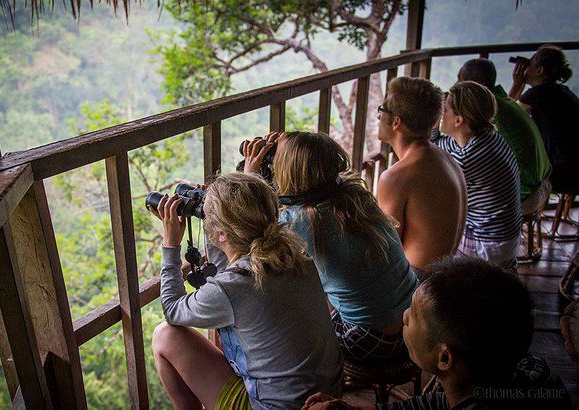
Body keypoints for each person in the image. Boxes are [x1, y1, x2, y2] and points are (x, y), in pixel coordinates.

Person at [150, 172, 342, 409]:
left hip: (279, 406)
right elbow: (234, 262)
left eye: (209, 216)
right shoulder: (295, 254)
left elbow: (172, 309)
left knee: (164, 336)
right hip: (328, 394)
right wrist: (220, 208)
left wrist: (171, 244)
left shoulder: (233, 287)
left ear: (222, 233)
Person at [302, 257, 572, 410]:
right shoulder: (531, 370)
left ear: (444, 358)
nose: (404, 316)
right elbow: (437, 405)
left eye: (414, 315)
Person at [244, 132, 418, 362]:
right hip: (414, 321)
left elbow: (253, 242)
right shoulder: (356, 196)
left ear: (289, 172)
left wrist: (250, 181)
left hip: (372, 340)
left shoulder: (301, 222)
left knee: (277, 315)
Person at [376, 77, 467, 275]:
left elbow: (385, 248)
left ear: (396, 122)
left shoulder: (396, 176)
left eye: (381, 111)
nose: (378, 117)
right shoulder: (445, 158)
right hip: (444, 273)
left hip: (416, 280)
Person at [433, 81, 522, 271]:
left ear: (459, 121)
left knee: (435, 250)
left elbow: (431, 158)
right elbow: (440, 144)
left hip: (489, 243)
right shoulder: (487, 136)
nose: (441, 113)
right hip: (506, 235)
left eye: (445, 109)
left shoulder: (467, 157)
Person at [458, 58, 552, 215]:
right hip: (542, 181)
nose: (457, 87)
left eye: (460, 81)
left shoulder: (488, 114)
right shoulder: (502, 101)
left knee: (455, 196)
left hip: (526, 192)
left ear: (476, 84)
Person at [509, 44, 579, 193]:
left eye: (530, 65)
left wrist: (517, 84)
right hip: (575, 168)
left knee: (508, 166)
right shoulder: (564, 91)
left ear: (539, 71)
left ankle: (519, 211)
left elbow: (506, 117)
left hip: (562, 173)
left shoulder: (536, 95)